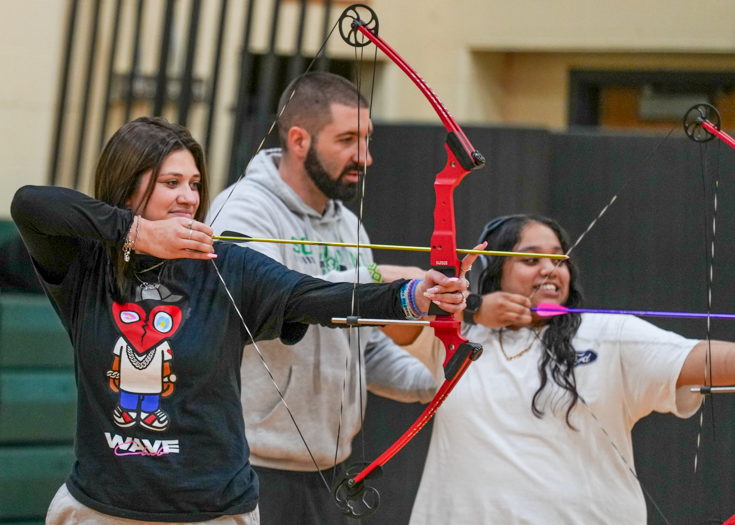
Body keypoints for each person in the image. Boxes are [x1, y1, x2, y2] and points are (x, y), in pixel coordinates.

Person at [10, 116, 474, 524]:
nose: (188, 198)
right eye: (171, 183)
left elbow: (312, 297)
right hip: (101, 508)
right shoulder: (85, 267)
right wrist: (140, 233)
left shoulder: (227, 266)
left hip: (210, 511)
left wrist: (412, 297)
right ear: (127, 186)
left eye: (194, 184)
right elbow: (29, 204)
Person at [208, 71, 433, 524]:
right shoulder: (243, 211)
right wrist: (375, 278)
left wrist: (436, 384)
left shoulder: (349, 226)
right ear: (298, 140)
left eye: (366, 139)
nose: (364, 157)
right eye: (347, 139)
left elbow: (363, 349)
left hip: (332, 470)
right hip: (251, 467)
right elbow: (272, 305)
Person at [408, 214, 735, 525]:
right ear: (494, 270)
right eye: (531, 259)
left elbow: (704, 360)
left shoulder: (607, 333)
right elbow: (373, 282)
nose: (551, 270)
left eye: (559, 260)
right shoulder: (452, 335)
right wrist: (473, 309)